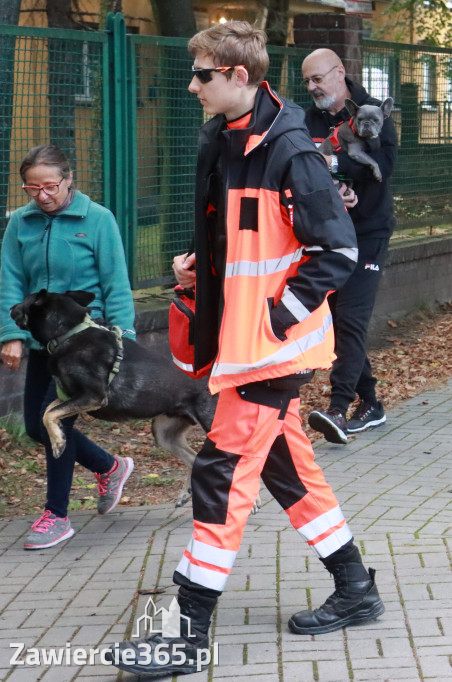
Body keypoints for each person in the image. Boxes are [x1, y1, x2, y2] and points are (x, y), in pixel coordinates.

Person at [109, 22, 382, 677]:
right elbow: (240, 240)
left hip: (270, 351)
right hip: (241, 346)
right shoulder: (221, 138)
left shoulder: (291, 150)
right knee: (290, 473)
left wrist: (275, 315)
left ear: (239, 76)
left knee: (220, 475)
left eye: (202, 74)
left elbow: (338, 249)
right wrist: (198, 270)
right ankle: (356, 588)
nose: (191, 85)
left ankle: (185, 633)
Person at [0, 144, 136, 551]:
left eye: (50, 186)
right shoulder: (19, 224)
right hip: (45, 343)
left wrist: (125, 337)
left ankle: (56, 516)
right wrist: (12, 335)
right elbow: (11, 281)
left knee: (53, 419)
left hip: (85, 343)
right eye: (31, 188)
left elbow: (116, 281)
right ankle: (109, 467)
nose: (41, 195)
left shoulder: (97, 219)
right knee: (37, 424)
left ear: (69, 178)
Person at [302, 48, 397, 443]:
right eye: (307, 81)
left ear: (339, 73)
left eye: (318, 78)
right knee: (338, 321)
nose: (311, 87)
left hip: (368, 234)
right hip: (326, 236)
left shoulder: (375, 113)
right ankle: (371, 403)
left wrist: (336, 170)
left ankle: (338, 409)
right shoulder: (305, 119)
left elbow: (383, 168)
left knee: (350, 321)